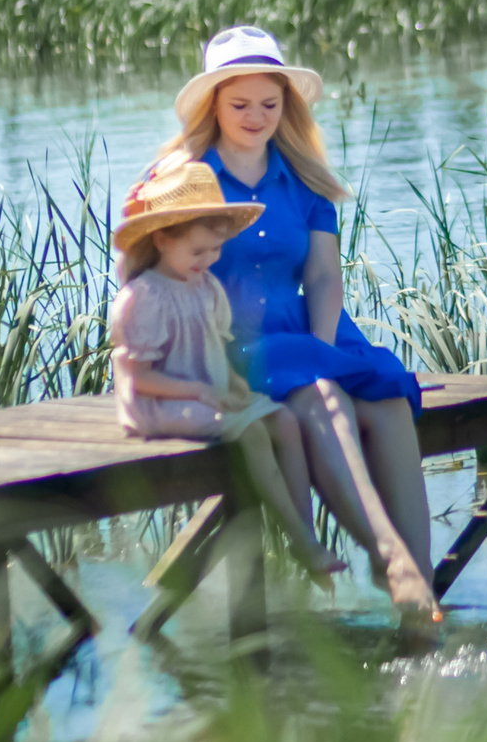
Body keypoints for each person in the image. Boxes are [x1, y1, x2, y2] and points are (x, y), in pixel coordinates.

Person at [149, 25, 442, 621]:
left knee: (385, 399)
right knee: (322, 395)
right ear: (213, 107)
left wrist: (322, 346)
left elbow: (326, 278)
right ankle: (389, 559)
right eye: (239, 104)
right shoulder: (185, 180)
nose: (255, 116)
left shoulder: (305, 181)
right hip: (227, 342)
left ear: (286, 106)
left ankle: (422, 588)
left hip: (308, 328)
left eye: (269, 103)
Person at [110, 158, 344, 577]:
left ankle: (307, 532)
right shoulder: (144, 298)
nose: (209, 259)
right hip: (157, 405)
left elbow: (215, 352)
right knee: (253, 432)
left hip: (207, 394)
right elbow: (138, 377)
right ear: (161, 239)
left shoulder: (206, 288)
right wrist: (200, 392)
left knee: (285, 422)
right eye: (197, 250)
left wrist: (234, 384)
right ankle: (301, 541)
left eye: (216, 249)